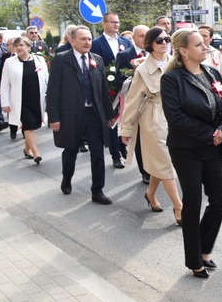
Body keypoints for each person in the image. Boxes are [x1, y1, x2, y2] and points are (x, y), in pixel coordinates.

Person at [161, 29, 222, 278]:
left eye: (204, 43)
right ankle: (195, 260)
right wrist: (209, 133)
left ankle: (203, 249)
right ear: (183, 51)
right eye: (199, 44)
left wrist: (221, 130)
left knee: (220, 200)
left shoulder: (211, 72)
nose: (205, 47)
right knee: (193, 202)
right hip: (187, 149)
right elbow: (176, 118)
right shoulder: (171, 79)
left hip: (213, 146)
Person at [120, 27, 183, 227]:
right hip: (154, 117)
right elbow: (132, 101)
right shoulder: (142, 69)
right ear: (149, 44)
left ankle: (150, 193)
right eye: (159, 40)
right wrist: (126, 130)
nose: (164, 42)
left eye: (167, 39)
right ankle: (179, 206)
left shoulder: (178, 62)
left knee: (160, 159)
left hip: (177, 116)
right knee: (165, 160)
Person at [46, 26, 116, 204]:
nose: (87, 42)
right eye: (83, 39)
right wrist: (53, 117)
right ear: (72, 40)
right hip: (71, 114)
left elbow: (102, 90)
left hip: (93, 114)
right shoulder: (62, 60)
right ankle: (67, 178)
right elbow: (53, 90)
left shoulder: (97, 60)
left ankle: (97, 190)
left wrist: (109, 114)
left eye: (89, 39)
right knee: (70, 150)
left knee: (98, 153)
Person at [90, 12, 133, 169]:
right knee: (112, 121)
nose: (116, 25)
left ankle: (122, 144)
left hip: (126, 87)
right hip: (108, 90)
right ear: (104, 23)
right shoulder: (96, 43)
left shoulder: (126, 41)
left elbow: (131, 62)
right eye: (112, 22)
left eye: (118, 22)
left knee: (126, 119)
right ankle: (115, 155)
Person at [0, 37, 48, 163]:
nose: (19, 48)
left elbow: (46, 79)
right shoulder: (10, 62)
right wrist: (4, 103)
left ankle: (27, 149)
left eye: (21, 45)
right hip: (20, 101)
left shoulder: (39, 60)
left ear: (28, 46)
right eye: (16, 46)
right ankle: (36, 153)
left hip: (36, 99)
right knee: (29, 124)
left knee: (33, 125)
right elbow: (4, 84)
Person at [115, 25, 151, 183]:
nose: (144, 39)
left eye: (147, 36)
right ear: (134, 37)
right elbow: (118, 80)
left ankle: (155, 168)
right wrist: (135, 77)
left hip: (153, 103)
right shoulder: (124, 55)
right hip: (135, 101)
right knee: (140, 137)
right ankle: (144, 171)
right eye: (141, 36)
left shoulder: (155, 52)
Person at [198, 24, 222, 171]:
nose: (202, 39)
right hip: (203, 98)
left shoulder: (215, 53)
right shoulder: (195, 54)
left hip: (217, 95)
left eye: (205, 36)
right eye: (199, 35)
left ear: (211, 38)